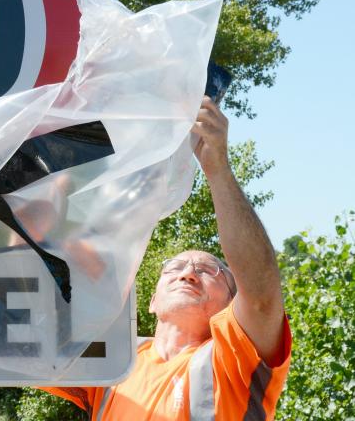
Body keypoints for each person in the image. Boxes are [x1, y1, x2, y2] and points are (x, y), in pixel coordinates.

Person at [40, 97, 292, 420]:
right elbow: (28, 342)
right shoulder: (114, 360)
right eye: (173, 267)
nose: (188, 273)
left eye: (208, 270)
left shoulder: (233, 362)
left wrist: (217, 169)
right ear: (151, 301)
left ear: (232, 307)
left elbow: (261, 296)